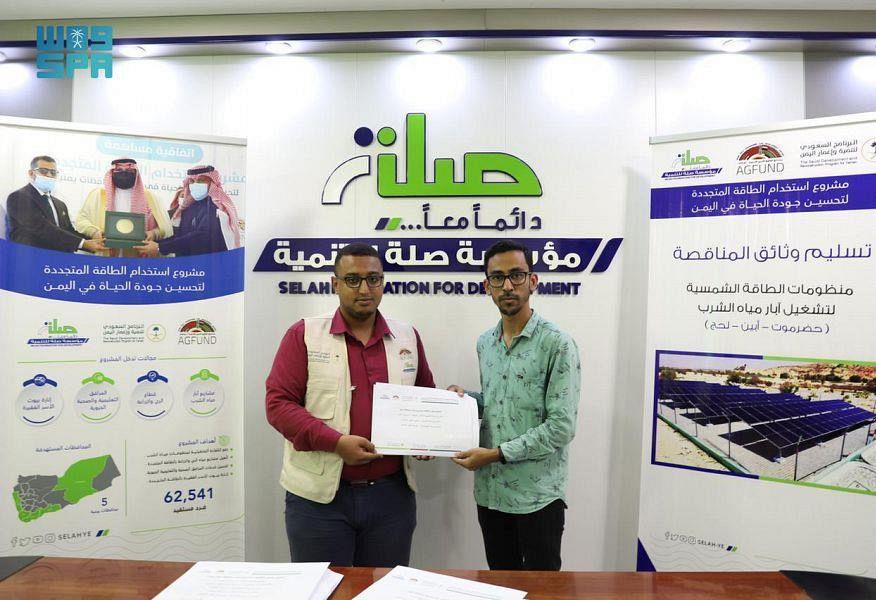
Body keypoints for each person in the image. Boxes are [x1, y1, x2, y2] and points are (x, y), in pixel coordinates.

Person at [265, 242, 436, 567]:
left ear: (382, 281)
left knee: (385, 589)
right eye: (353, 280)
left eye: (373, 279)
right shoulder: (304, 334)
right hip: (319, 500)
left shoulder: (407, 336)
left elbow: (425, 396)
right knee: (324, 588)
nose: (365, 289)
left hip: (391, 499)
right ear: (335, 283)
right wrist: (336, 443)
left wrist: (429, 435)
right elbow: (278, 405)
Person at [448, 239, 580, 571]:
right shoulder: (485, 343)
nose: (508, 285)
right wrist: (462, 401)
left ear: (532, 281)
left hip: (538, 498)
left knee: (542, 591)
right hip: (491, 495)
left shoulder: (557, 344)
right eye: (498, 277)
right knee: (501, 586)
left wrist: (496, 454)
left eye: (517, 275)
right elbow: (497, 403)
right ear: (487, 286)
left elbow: (561, 428)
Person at [135, 165, 240, 257]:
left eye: (201, 180)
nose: (195, 184)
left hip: (210, 264)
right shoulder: (189, 207)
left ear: (212, 183)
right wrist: (154, 241)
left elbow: (201, 237)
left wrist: (160, 247)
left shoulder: (216, 207)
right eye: (192, 181)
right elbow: (181, 236)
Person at [7, 155, 105, 254]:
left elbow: (68, 231)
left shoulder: (60, 204)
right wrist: (83, 243)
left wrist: (93, 239)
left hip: (59, 259)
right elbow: (42, 228)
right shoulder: (18, 197)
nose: (49, 175)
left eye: (53, 172)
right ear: (31, 173)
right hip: (31, 258)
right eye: (43, 171)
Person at [75, 158, 173, 257]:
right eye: (119, 170)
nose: (124, 173)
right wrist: (94, 232)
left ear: (136, 173)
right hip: (104, 254)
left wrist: (153, 233)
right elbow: (81, 220)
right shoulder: (98, 194)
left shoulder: (150, 196)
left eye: (129, 170)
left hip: (138, 257)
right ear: (112, 173)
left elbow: (165, 227)